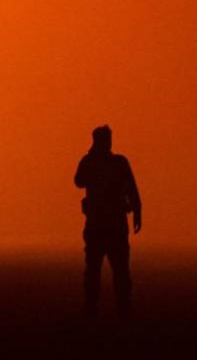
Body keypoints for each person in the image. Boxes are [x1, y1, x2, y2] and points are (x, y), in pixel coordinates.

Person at [74, 124, 141, 315]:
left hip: (112, 225)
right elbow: (79, 181)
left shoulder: (118, 163)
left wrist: (137, 211)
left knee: (118, 269)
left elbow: (131, 188)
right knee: (95, 269)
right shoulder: (94, 162)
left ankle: (121, 308)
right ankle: (93, 308)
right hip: (99, 224)